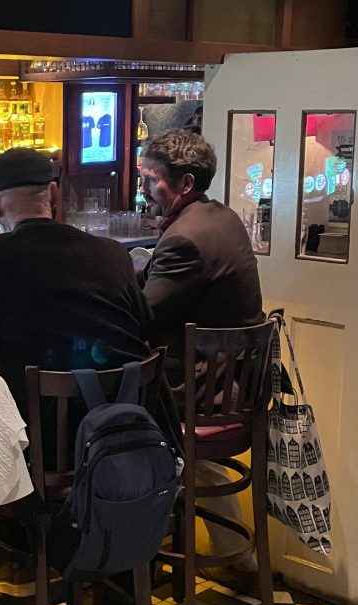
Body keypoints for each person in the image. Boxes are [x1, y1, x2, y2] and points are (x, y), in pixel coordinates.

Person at [0, 146, 151, 420]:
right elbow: (147, 325)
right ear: (54, 193)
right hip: (131, 425)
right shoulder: (113, 252)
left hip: (43, 442)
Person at [139, 129, 265, 582]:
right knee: (199, 462)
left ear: (186, 183)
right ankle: (234, 558)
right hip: (232, 388)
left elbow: (145, 316)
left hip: (194, 393)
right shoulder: (222, 217)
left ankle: (128, 557)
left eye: (150, 179)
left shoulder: (185, 239)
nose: (142, 190)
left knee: (108, 421)